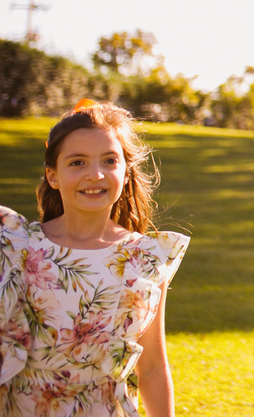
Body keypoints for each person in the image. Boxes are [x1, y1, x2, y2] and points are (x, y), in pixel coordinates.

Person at [0, 100, 189, 417]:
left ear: (126, 173)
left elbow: (153, 367)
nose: (95, 174)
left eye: (109, 161)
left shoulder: (143, 258)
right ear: (53, 176)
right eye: (77, 162)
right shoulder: (18, 246)